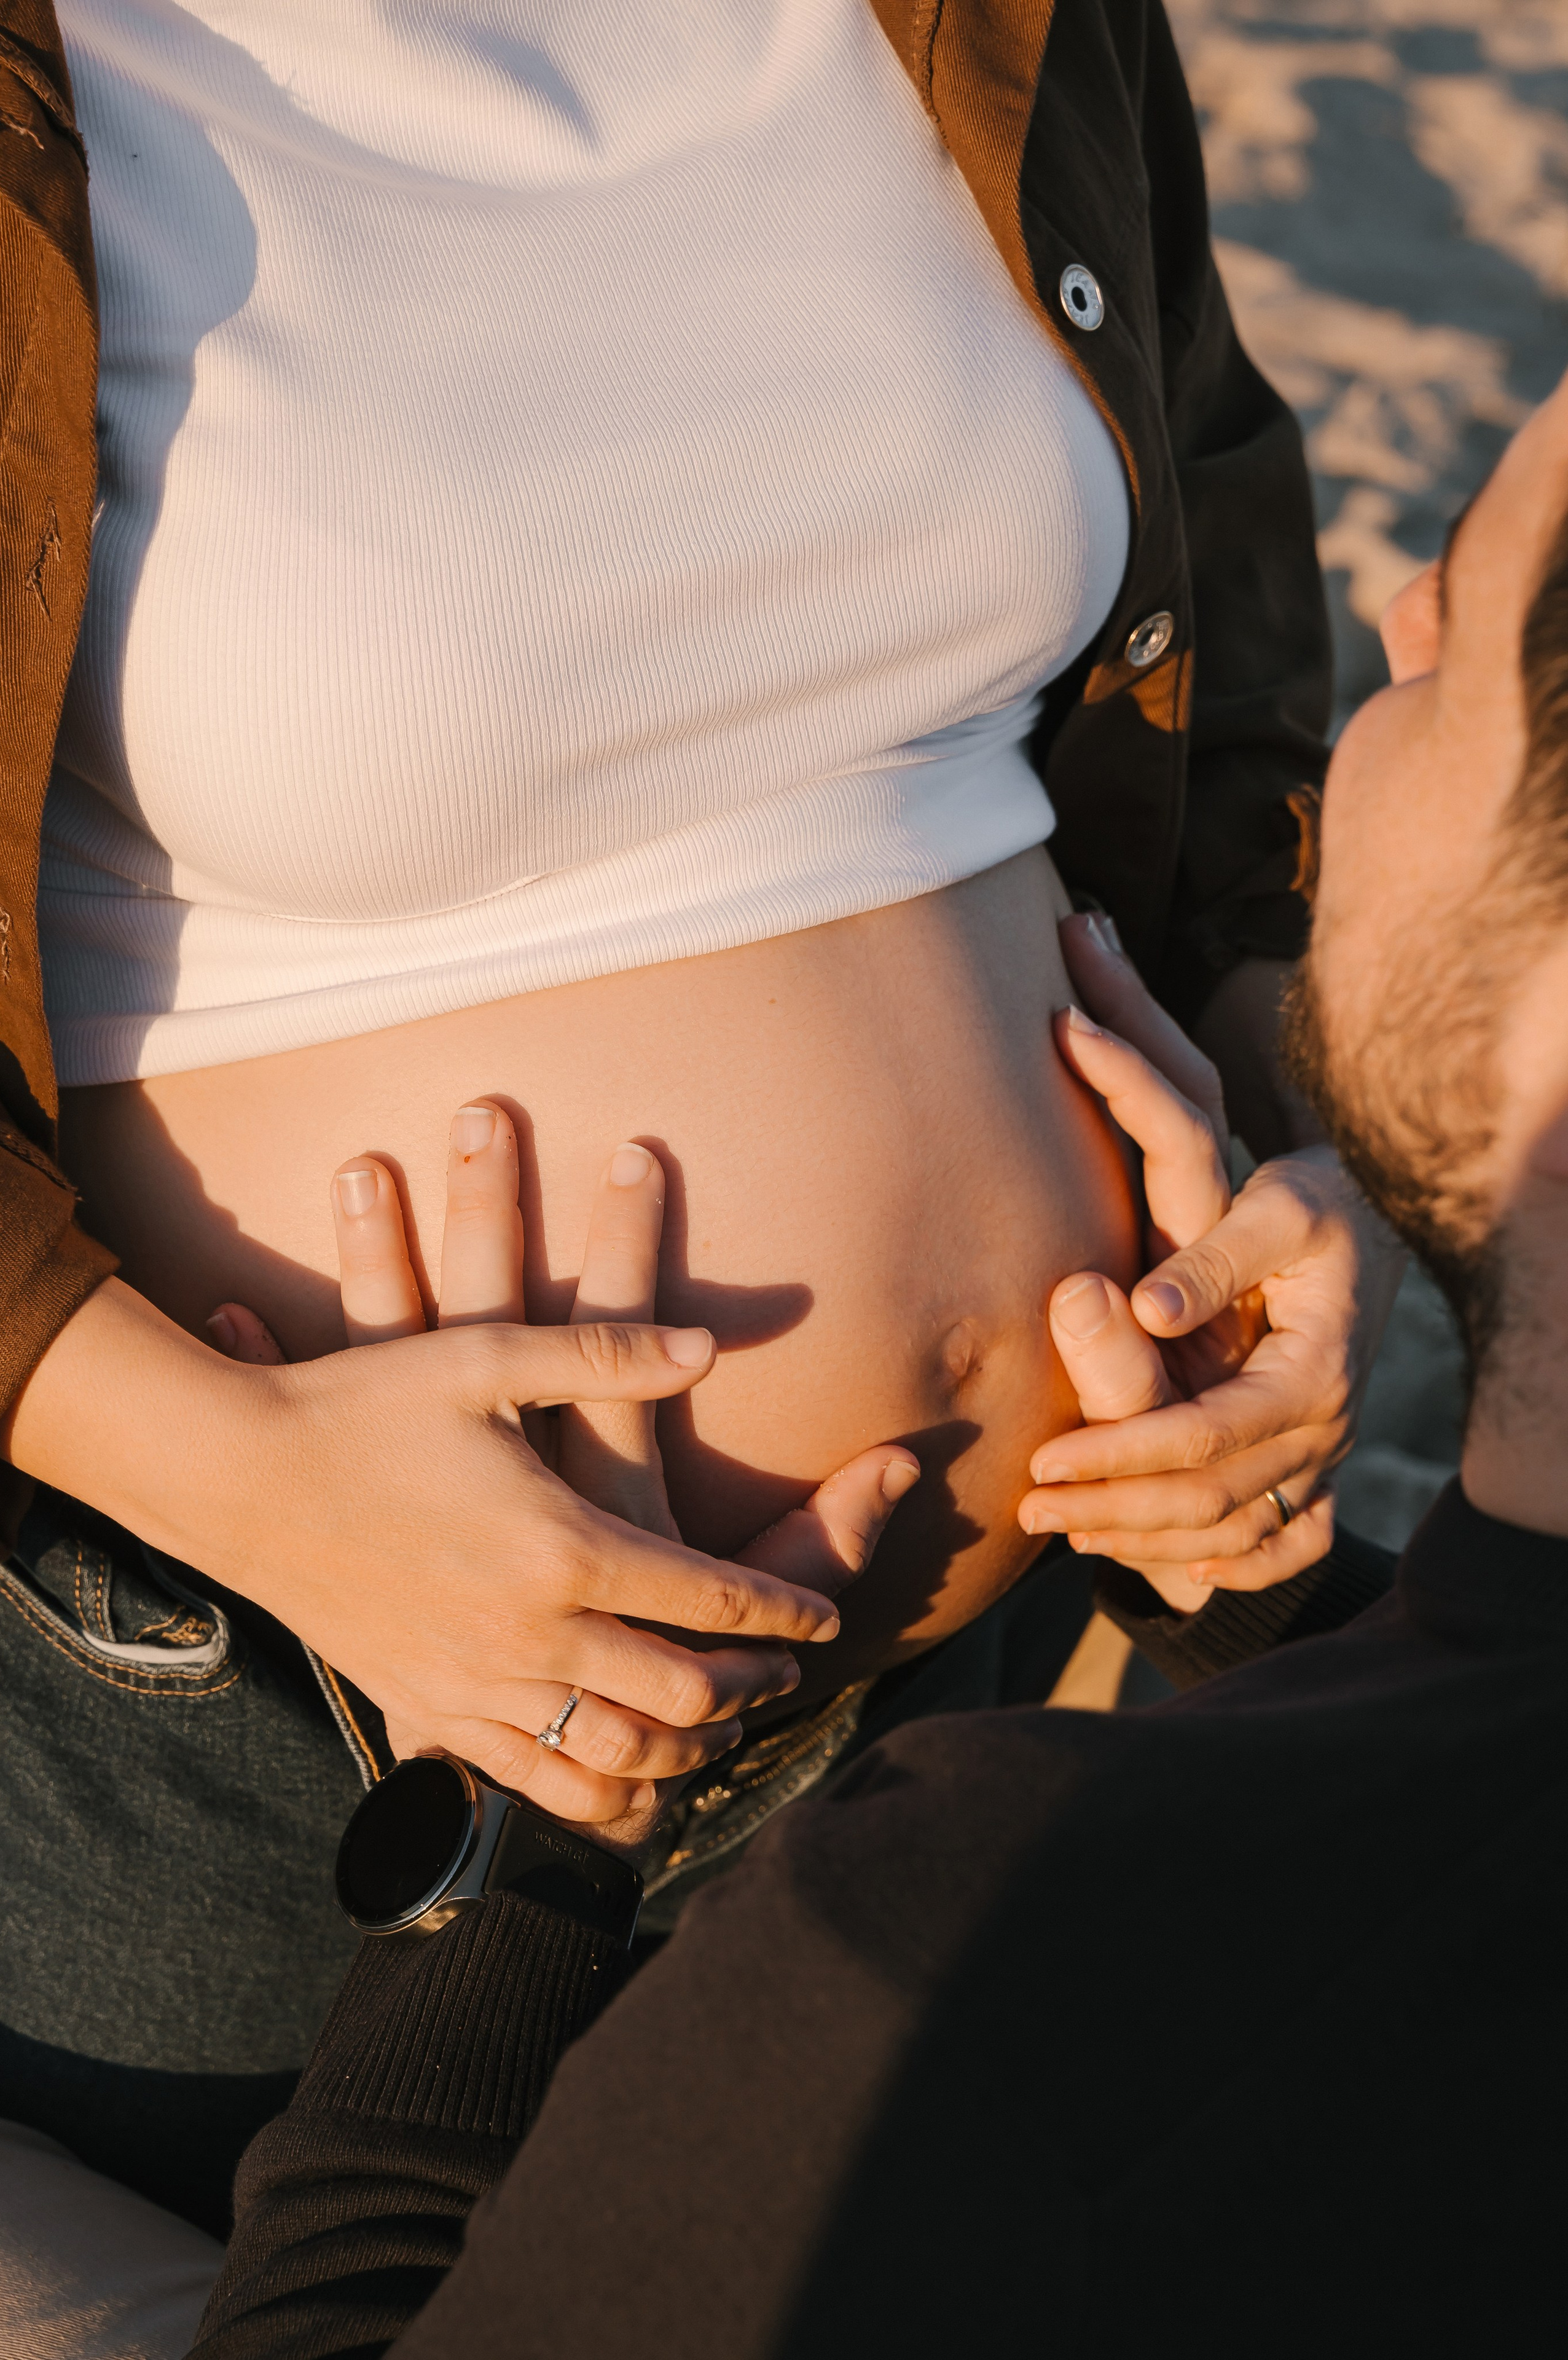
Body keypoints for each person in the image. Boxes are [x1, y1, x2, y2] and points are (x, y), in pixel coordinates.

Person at [0, 0, 1398, 2225]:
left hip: (988, 1666)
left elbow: (1207, 558)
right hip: (308, 1717)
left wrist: (1312, 1164)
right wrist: (265, 1497)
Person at [188, 364, 1568, 2356]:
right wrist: (1278, 1613)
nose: (1398, 622)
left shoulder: (968, 1985)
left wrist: (528, 1858)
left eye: (1472, 607)